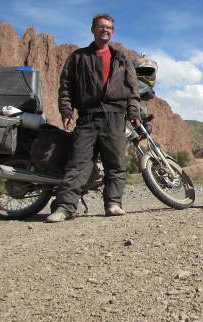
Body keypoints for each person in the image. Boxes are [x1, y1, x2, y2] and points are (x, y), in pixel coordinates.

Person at [46, 13, 141, 223]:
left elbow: (132, 91)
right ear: (93, 30)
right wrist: (66, 111)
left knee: (115, 163)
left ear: (112, 31)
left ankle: (113, 203)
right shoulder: (78, 57)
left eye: (109, 27)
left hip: (115, 117)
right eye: (101, 27)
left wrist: (134, 113)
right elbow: (66, 87)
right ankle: (64, 207)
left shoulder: (121, 59)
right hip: (88, 117)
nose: (105, 30)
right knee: (78, 164)